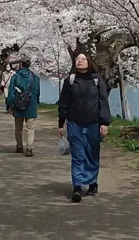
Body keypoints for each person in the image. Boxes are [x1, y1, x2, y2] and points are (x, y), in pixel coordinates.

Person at [58, 53, 110, 203]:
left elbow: (103, 102)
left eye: (83, 59)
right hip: (75, 124)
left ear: (89, 62)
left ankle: (92, 183)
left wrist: (104, 123)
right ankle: (77, 187)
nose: (79, 61)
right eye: (77, 59)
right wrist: (61, 124)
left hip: (94, 124)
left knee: (92, 155)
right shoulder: (71, 81)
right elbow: (64, 103)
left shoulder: (97, 80)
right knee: (78, 156)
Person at [7, 55, 40, 157]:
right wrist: (36, 102)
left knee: (18, 128)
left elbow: (11, 92)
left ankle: (19, 146)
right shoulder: (35, 78)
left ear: (21, 64)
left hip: (18, 105)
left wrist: (10, 105)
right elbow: (37, 92)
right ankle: (29, 148)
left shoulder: (15, 77)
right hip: (31, 105)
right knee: (30, 128)